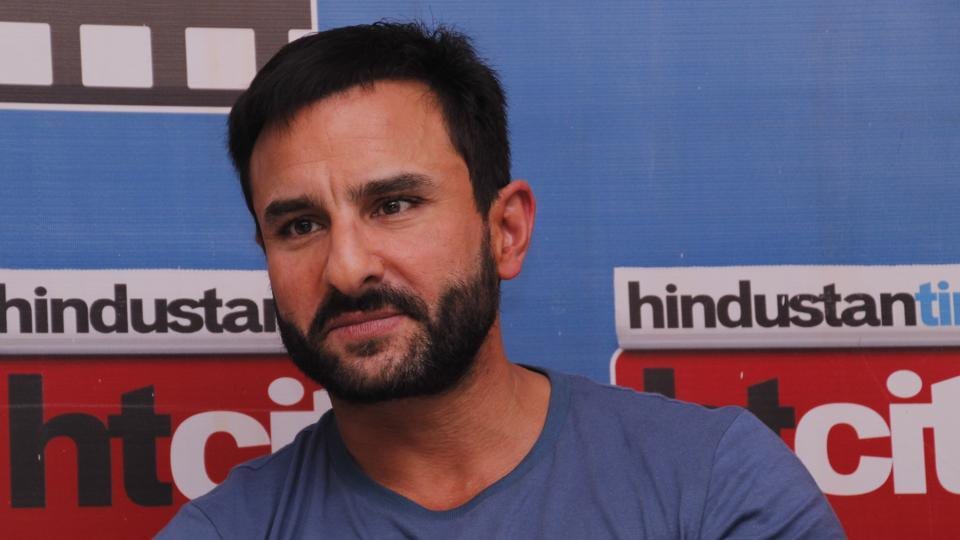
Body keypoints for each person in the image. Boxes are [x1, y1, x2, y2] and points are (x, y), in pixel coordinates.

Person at [159, 22, 844, 539]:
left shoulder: (711, 482)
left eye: (394, 205)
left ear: (505, 231)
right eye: (300, 225)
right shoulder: (226, 531)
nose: (345, 267)